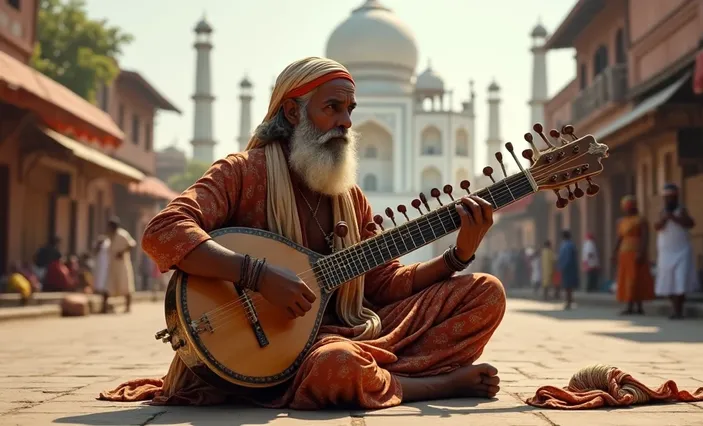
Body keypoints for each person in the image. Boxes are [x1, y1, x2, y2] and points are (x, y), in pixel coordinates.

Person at [98, 57, 506, 410]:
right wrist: (256, 275)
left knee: (485, 292)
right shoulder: (242, 173)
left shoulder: (350, 197)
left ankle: (365, 377)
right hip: (284, 344)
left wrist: (457, 256)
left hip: (342, 331)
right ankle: (435, 384)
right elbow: (163, 231)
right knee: (338, 365)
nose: (346, 122)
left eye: (350, 110)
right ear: (293, 113)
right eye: (332, 108)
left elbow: (383, 282)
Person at [654, 184, 698, 319]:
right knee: (668, 282)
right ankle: (674, 308)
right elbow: (656, 226)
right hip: (666, 252)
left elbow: (690, 223)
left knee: (681, 281)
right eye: (666, 198)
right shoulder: (662, 211)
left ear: (676, 197)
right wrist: (664, 219)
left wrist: (674, 218)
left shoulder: (682, 210)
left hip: (682, 251)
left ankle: (678, 310)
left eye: (671, 197)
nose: (669, 200)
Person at [613, 195, 654, 315]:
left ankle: (639, 306)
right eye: (626, 207)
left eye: (630, 206)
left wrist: (642, 252)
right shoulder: (621, 222)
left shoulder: (641, 220)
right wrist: (614, 252)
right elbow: (619, 238)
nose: (628, 209)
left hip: (636, 253)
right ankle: (629, 306)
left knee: (637, 279)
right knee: (626, 280)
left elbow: (645, 237)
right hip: (624, 254)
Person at [102, 217, 136, 314]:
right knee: (108, 286)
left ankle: (128, 307)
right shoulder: (109, 236)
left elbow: (132, 244)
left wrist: (122, 252)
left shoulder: (122, 234)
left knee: (126, 285)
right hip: (112, 265)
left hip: (122, 264)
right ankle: (104, 308)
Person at [557, 231, 579, 310]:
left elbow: (564, 257)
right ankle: (569, 301)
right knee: (569, 286)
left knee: (567, 286)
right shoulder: (571, 245)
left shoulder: (564, 245)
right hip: (570, 267)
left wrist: (561, 266)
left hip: (567, 267)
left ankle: (568, 302)